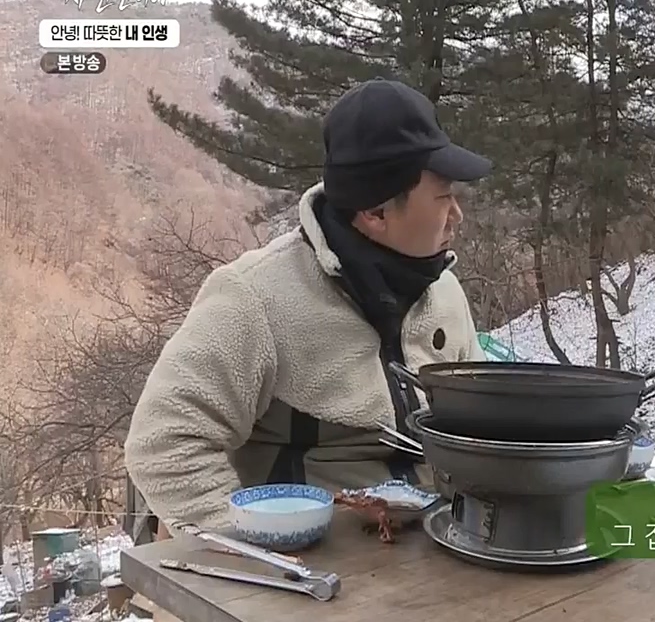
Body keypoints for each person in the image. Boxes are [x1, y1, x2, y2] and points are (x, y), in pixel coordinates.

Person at [124, 79, 491, 537]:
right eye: (443, 197)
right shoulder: (256, 298)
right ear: (375, 212)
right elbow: (163, 445)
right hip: (306, 566)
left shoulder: (445, 293)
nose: (457, 215)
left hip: (443, 546)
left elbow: (481, 426)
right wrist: (256, 547)